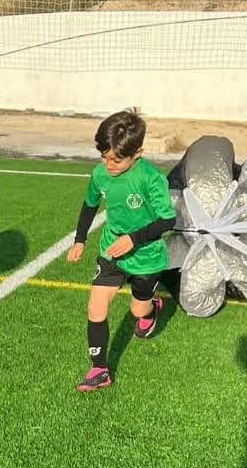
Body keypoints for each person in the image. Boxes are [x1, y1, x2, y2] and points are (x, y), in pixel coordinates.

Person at [67, 109, 176, 392]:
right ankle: (99, 369)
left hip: (146, 254)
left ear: (137, 153)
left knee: (137, 308)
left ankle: (150, 310)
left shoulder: (151, 179)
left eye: (116, 159)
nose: (109, 164)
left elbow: (168, 220)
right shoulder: (99, 174)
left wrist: (134, 238)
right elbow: (90, 204)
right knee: (95, 308)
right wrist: (80, 239)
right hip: (111, 249)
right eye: (104, 157)